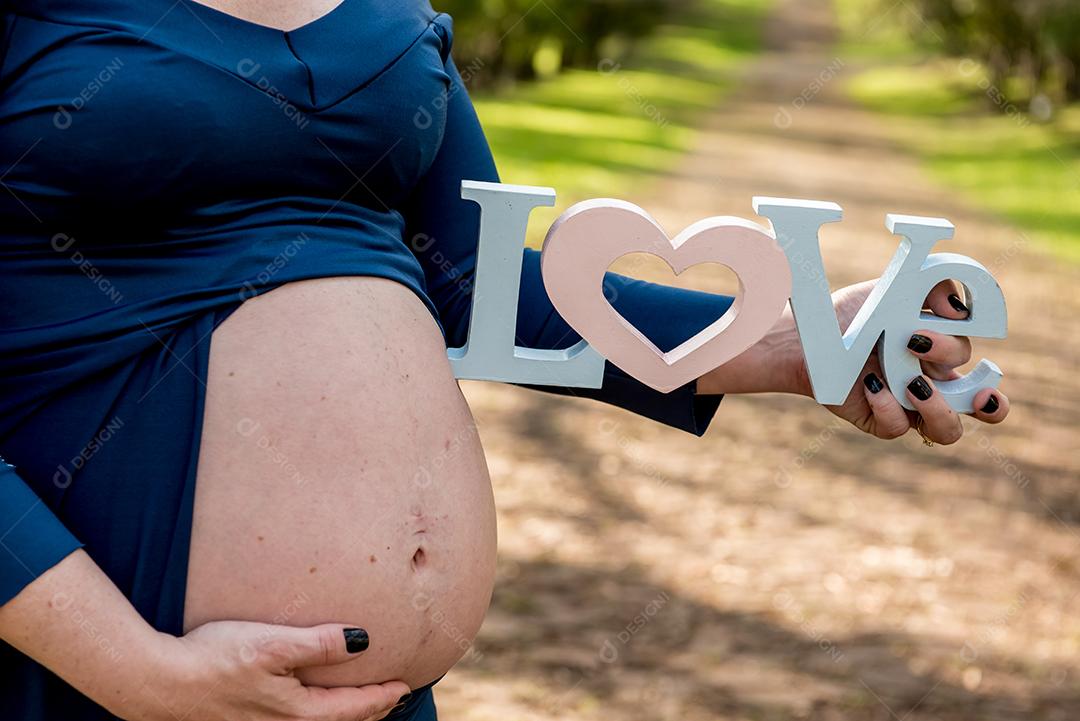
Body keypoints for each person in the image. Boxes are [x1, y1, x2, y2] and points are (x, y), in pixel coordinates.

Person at [0, 1, 1010, 719]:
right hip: (107, 655)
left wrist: (800, 344)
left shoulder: (395, 19)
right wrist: (133, 671)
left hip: (374, 696)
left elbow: (486, 291)